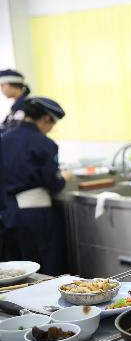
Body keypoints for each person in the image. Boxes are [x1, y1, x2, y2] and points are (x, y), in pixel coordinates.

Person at [0, 97, 71, 276]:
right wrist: (64, 177)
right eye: (53, 123)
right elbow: (54, 184)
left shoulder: (4, 139)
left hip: (7, 213)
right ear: (47, 118)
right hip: (34, 215)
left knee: (15, 274)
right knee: (44, 269)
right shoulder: (44, 144)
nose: (51, 129)